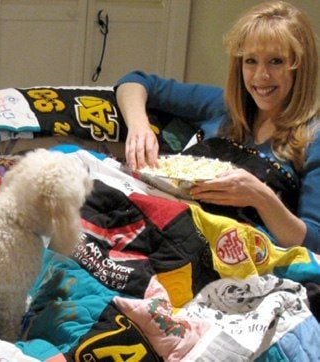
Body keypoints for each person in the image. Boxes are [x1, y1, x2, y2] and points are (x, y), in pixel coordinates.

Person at [114, 1, 320, 252]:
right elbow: (135, 82)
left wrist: (261, 197)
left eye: (276, 61)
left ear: (301, 67)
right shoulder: (223, 106)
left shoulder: (314, 137)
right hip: (157, 219)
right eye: (251, 61)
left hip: (221, 250)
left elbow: (314, 242)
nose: (261, 76)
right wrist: (139, 127)